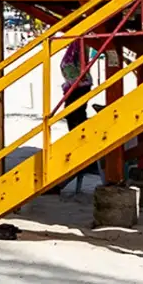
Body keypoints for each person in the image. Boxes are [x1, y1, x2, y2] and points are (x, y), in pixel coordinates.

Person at [58, 39, 99, 196]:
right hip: (77, 82)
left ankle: (81, 149)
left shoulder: (80, 41)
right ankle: (79, 147)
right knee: (74, 115)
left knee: (75, 116)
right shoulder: (78, 42)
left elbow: (82, 60)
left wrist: (81, 75)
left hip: (79, 83)